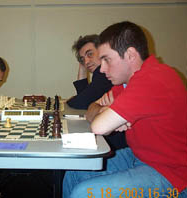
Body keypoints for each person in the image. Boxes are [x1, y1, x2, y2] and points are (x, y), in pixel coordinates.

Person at [63, 21, 187, 198]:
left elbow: (98, 127)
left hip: (173, 176)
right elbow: (91, 109)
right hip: (139, 157)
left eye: (106, 59)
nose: (102, 69)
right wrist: (106, 112)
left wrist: (106, 113)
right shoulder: (125, 83)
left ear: (130, 55)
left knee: (83, 193)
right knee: (74, 174)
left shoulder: (154, 78)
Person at [66, 34, 112, 109]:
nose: (86, 62)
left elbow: (80, 102)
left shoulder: (104, 74)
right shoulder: (101, 73)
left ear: (102, 51)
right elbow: (84, 95)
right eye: (83, 59)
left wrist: (71, 100)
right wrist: (82, 67)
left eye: (90, 54)